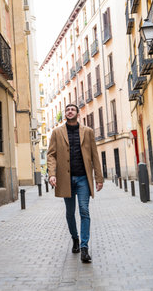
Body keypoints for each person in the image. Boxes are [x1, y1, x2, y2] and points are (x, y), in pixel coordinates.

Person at [47, 104, 103, 263]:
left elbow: (94, 155)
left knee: (84, 211)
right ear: (65, 114)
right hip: (65, 179)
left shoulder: (88, 132)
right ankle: (75, 239)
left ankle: (85, 248)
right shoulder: (57, 133)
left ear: (78, 114)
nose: (69, 111)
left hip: (83, 178)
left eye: (72, 109)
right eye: (67, 110)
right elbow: (51, 155)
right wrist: (52, 174)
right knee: (70, 212)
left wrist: (99, 178)